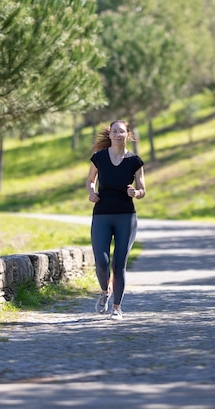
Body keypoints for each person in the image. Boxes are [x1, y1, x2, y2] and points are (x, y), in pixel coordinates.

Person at [85, 120, 146, 320]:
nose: (118, 134)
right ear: (109, 135)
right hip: (102, 213)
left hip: (126, 216)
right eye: (114, 131)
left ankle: (117, 308)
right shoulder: (99, 158)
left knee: (119, 264)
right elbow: (90, 180)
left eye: (122, 131)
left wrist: (135, 192)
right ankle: (105, 292)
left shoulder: (135, 161)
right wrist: (91, 192)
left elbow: (142, 189)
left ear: (127, 135)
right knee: (102, 262)